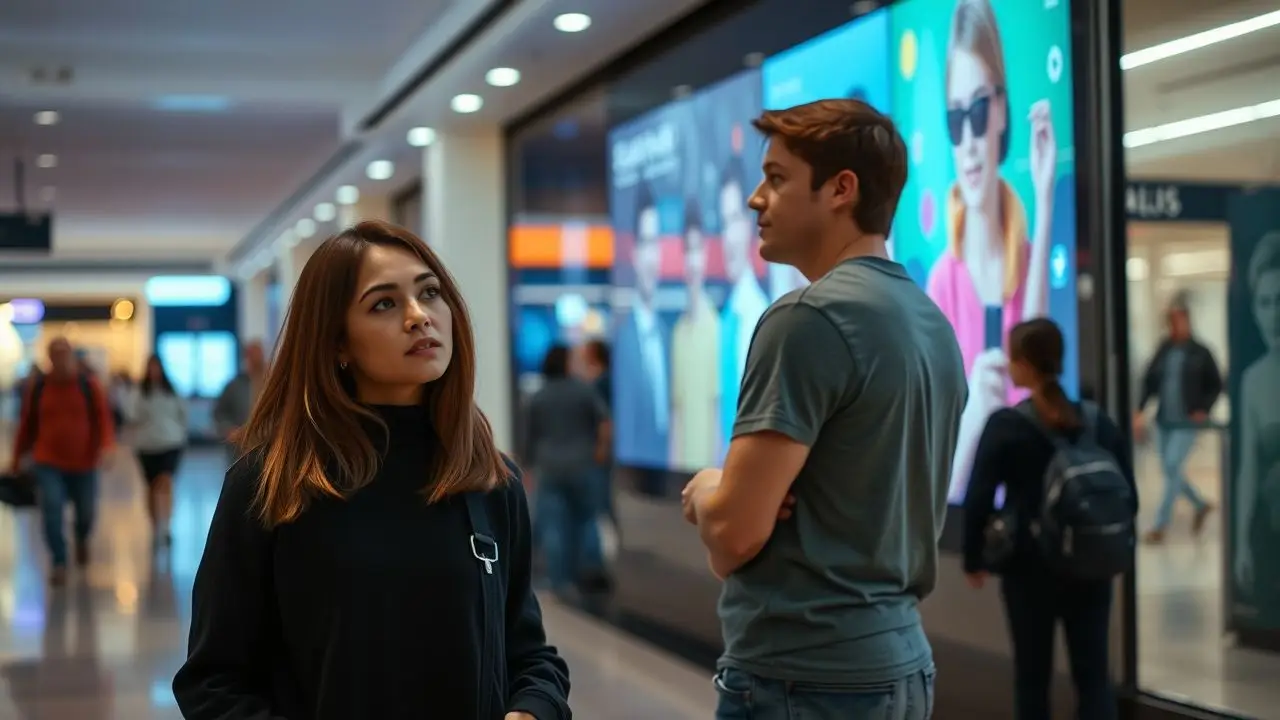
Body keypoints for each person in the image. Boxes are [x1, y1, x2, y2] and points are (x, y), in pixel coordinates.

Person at [173, 220, 570, 719]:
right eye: (384, 303)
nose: (419, 316)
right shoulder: (273, 482)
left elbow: (529, 654)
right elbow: (212, 684)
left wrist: (531, 711)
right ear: (337, 342)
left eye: (430, 293)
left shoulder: (489, 479)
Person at [681, 99, 966, 719]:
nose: (757, 198)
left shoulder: (806, 319)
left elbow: (731, 535)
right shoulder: (932, 325)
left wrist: (709, 489)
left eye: (777, 179)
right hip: (899, 667)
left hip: (803, 678)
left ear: (841, 190)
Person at [963, 318, 1134, 720]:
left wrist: (974, 559)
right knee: (1094, 678)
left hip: (1029, 569)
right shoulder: (1098, 423)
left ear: (1023, 364)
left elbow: (979, 499)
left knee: (1032, 679)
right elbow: (1130, 496)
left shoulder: (1006, 426)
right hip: (1091, 567)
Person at [927, 0, 1060, 503]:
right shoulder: (942, 283)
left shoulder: (1026, 263)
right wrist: (973, 425)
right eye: (956, 119)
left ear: (1002, 110)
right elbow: (936, 485)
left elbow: (1039, 383)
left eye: (980, 111)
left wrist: (1044, 202)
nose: (969, 141)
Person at [9, 337, 115, 585]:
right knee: (52, 509)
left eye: (64, 354)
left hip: (84, 462)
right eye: (54, 355)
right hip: (48, 461)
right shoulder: (39, 387)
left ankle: (81, 538)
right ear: (49, 358)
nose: (60, 360)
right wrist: (16, 458)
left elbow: (103, 419)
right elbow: (27, 425)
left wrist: (107, 446)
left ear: (71, 356)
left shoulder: (88, 385)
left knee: (86, 512)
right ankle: (59, 561)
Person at [1133, 300, 1221, 543]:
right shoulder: (1164, 349)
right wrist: (1139, 410)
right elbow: (1149, 381)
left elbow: (1215, 384)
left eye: (1180, 319)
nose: (1177, 325)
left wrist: (1203, 409)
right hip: (1165, 421)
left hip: (1187, 421)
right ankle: (1201, 504)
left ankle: (1160, 526)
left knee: (1172, 465)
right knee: (1170, 470)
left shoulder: (1201, 352)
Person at [525, 344, 609, 597]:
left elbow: (530, 437)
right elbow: (604, 423)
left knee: (554, 527)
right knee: (586, 520)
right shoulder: (584, 390)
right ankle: (591, 574)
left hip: (550, 468)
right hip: (583, 465)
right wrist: (600, 452)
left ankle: (560, 581)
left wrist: (528, 470)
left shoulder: (538, 396)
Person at [1232, 231, 1280, 605]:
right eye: (1265, 303)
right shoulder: (1253, 381)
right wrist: (1242, 544)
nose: (1274, 315)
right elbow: (1248, 468)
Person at [613, 184, 671, 469]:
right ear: (635, 252)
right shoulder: (624, 341)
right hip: (639, 475)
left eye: (656, 244)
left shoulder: (666, 334)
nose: (652, 257)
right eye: (646, 243)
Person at [718, 156, 771, 451]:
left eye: (735, 219)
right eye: (723, 223)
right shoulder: (726, 318)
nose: (728, 237)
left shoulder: (762, 316)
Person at [670, 199, 722, 468]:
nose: (692, 261)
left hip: (712, 471)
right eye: (687, 250)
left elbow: (718, 413)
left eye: (697, 250)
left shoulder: (718, 328)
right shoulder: (679, 332)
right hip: (683, 473)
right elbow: (677, 413)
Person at [125, 354, 188, 548]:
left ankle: (167, 526)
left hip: (170, 443)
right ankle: (155, 525)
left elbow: (182, 413)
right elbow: (131, 415)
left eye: (157, 367)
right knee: (152, 487)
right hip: (147, 445)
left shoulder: (172, 390)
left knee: (165, 482)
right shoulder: (140, 392)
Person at [212, 339, 266, 444]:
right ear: (246, 357)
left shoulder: (270, 383)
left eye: (259, 355)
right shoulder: (235, 385)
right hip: (240, 445)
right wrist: (229, 429)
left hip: (265, 443)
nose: (257, 359)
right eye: (252, 355)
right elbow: (219, 412)